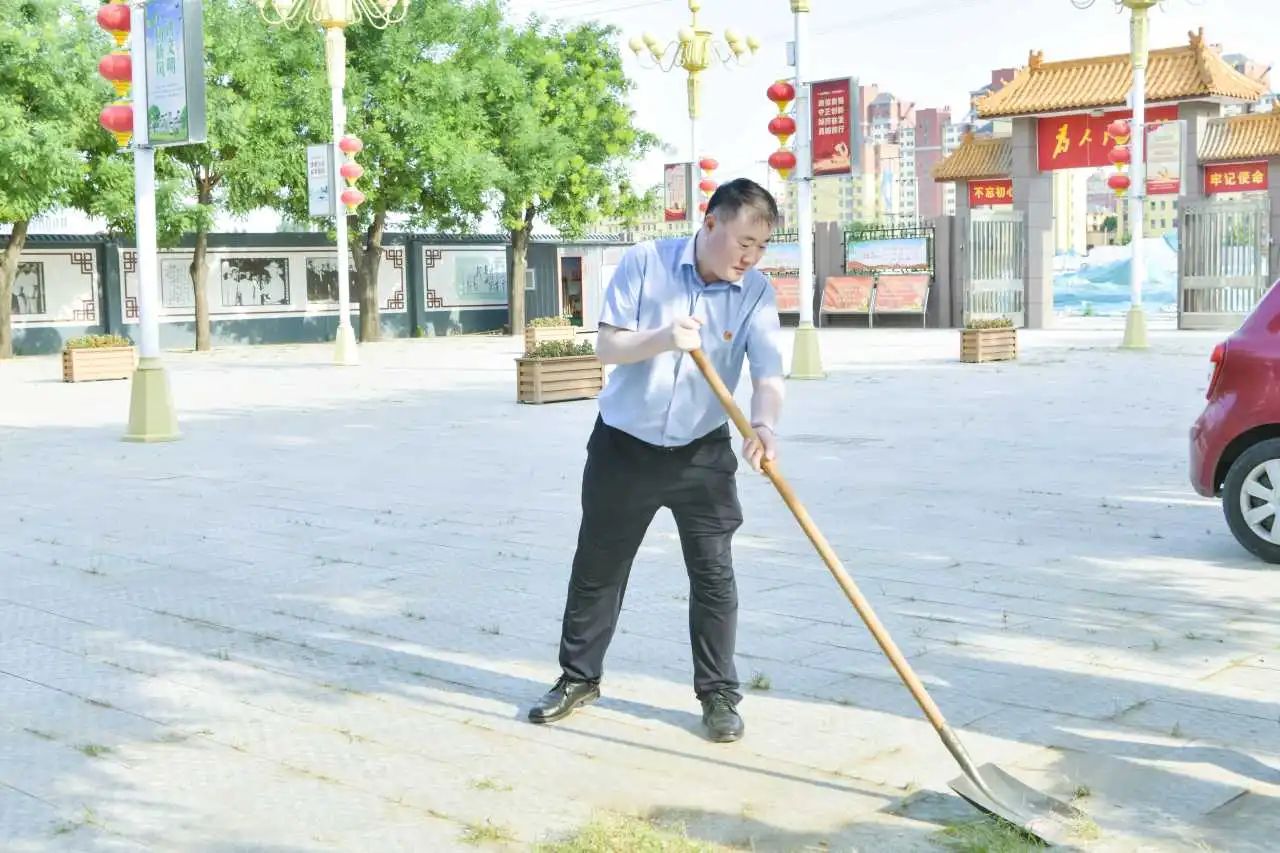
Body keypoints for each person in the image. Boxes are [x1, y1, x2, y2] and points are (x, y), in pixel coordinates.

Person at [527, 178, 786, 743]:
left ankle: (718, 694)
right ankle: (578, 678)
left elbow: (768, 373)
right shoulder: (645, 262)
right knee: (599, 566)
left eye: (761, 247)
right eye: (743, 242)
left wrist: (763, 425)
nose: (750, 257)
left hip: (703, 451)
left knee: (713, 574)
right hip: (624, 446)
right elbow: (608, 346)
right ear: (710, 223)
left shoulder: (756, 292)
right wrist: (665, 337)